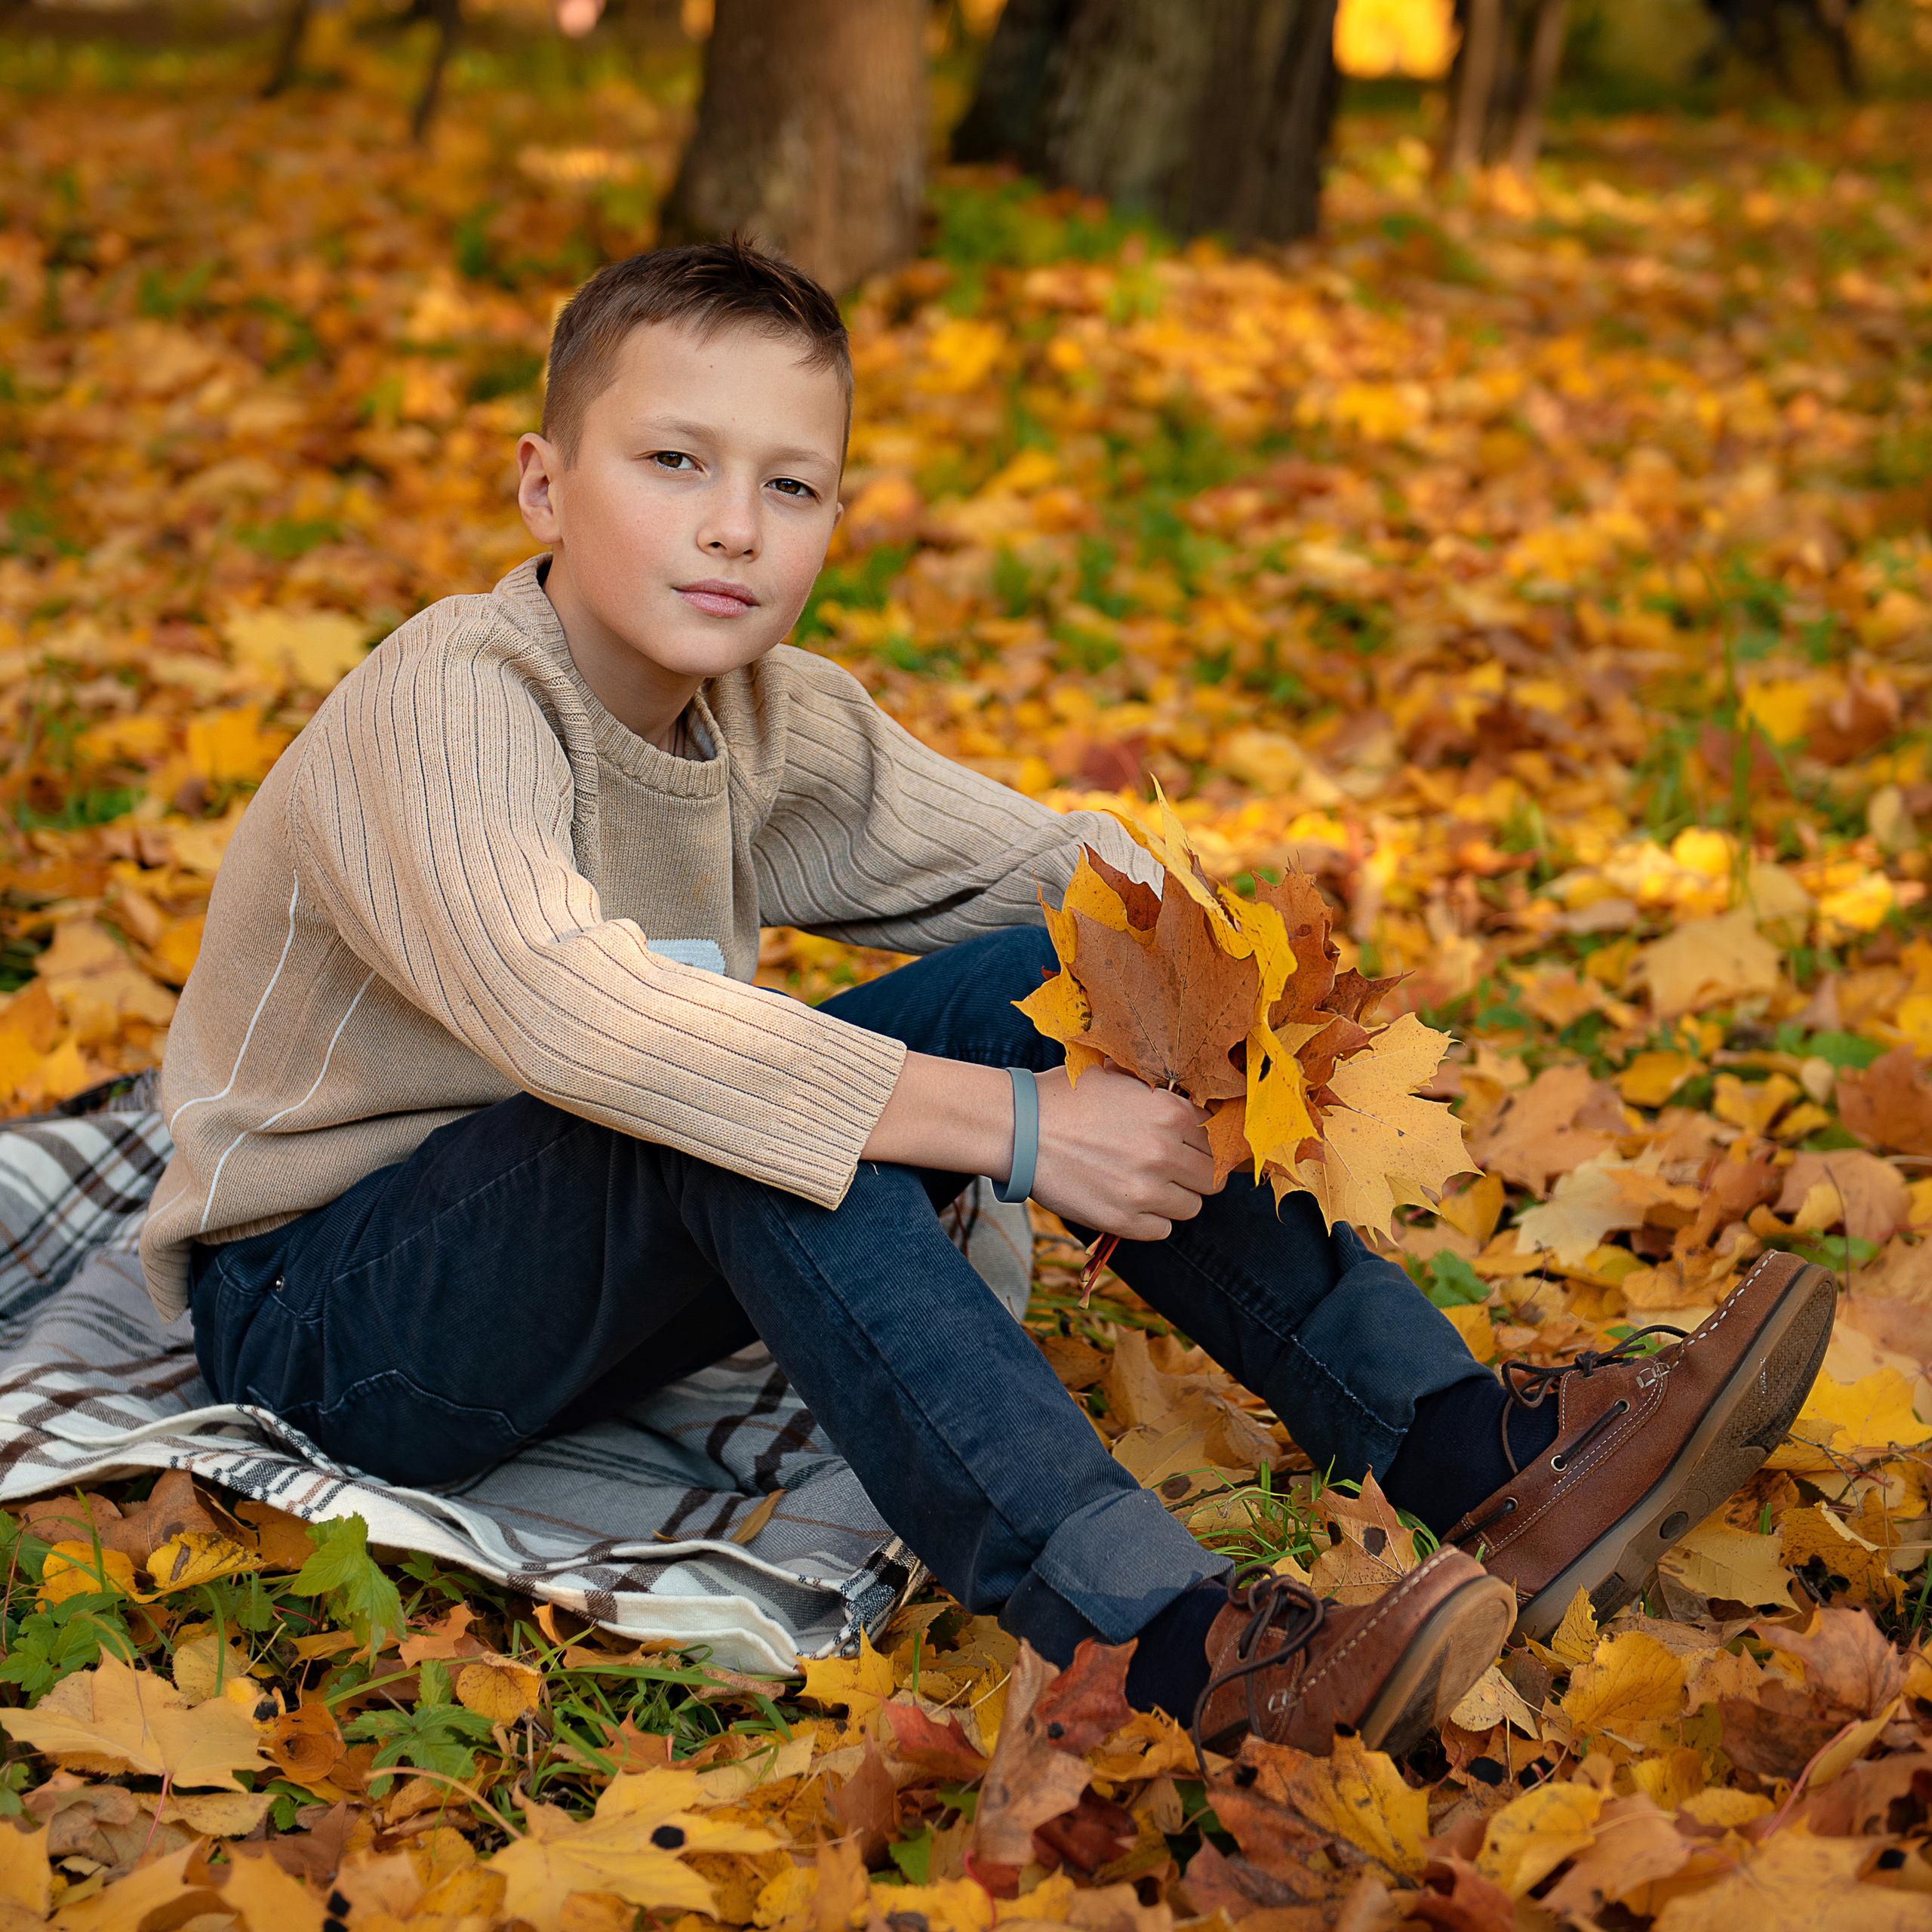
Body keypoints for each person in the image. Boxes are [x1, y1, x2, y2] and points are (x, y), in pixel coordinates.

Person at [143, 240, 1836, 1756]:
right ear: (541, 483)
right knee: (731, 1099)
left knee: (1048, 976)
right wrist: (1026, 1127)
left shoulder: (760, 715)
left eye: (789, 486)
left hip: (557, 1255)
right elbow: (580, 1015)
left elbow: (1054, 884)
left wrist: (1235, 977)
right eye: (673, 463)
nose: (734, 523)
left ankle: (1471, 1449)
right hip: (329, 1307)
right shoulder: (445, 703)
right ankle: (1167, 1642)